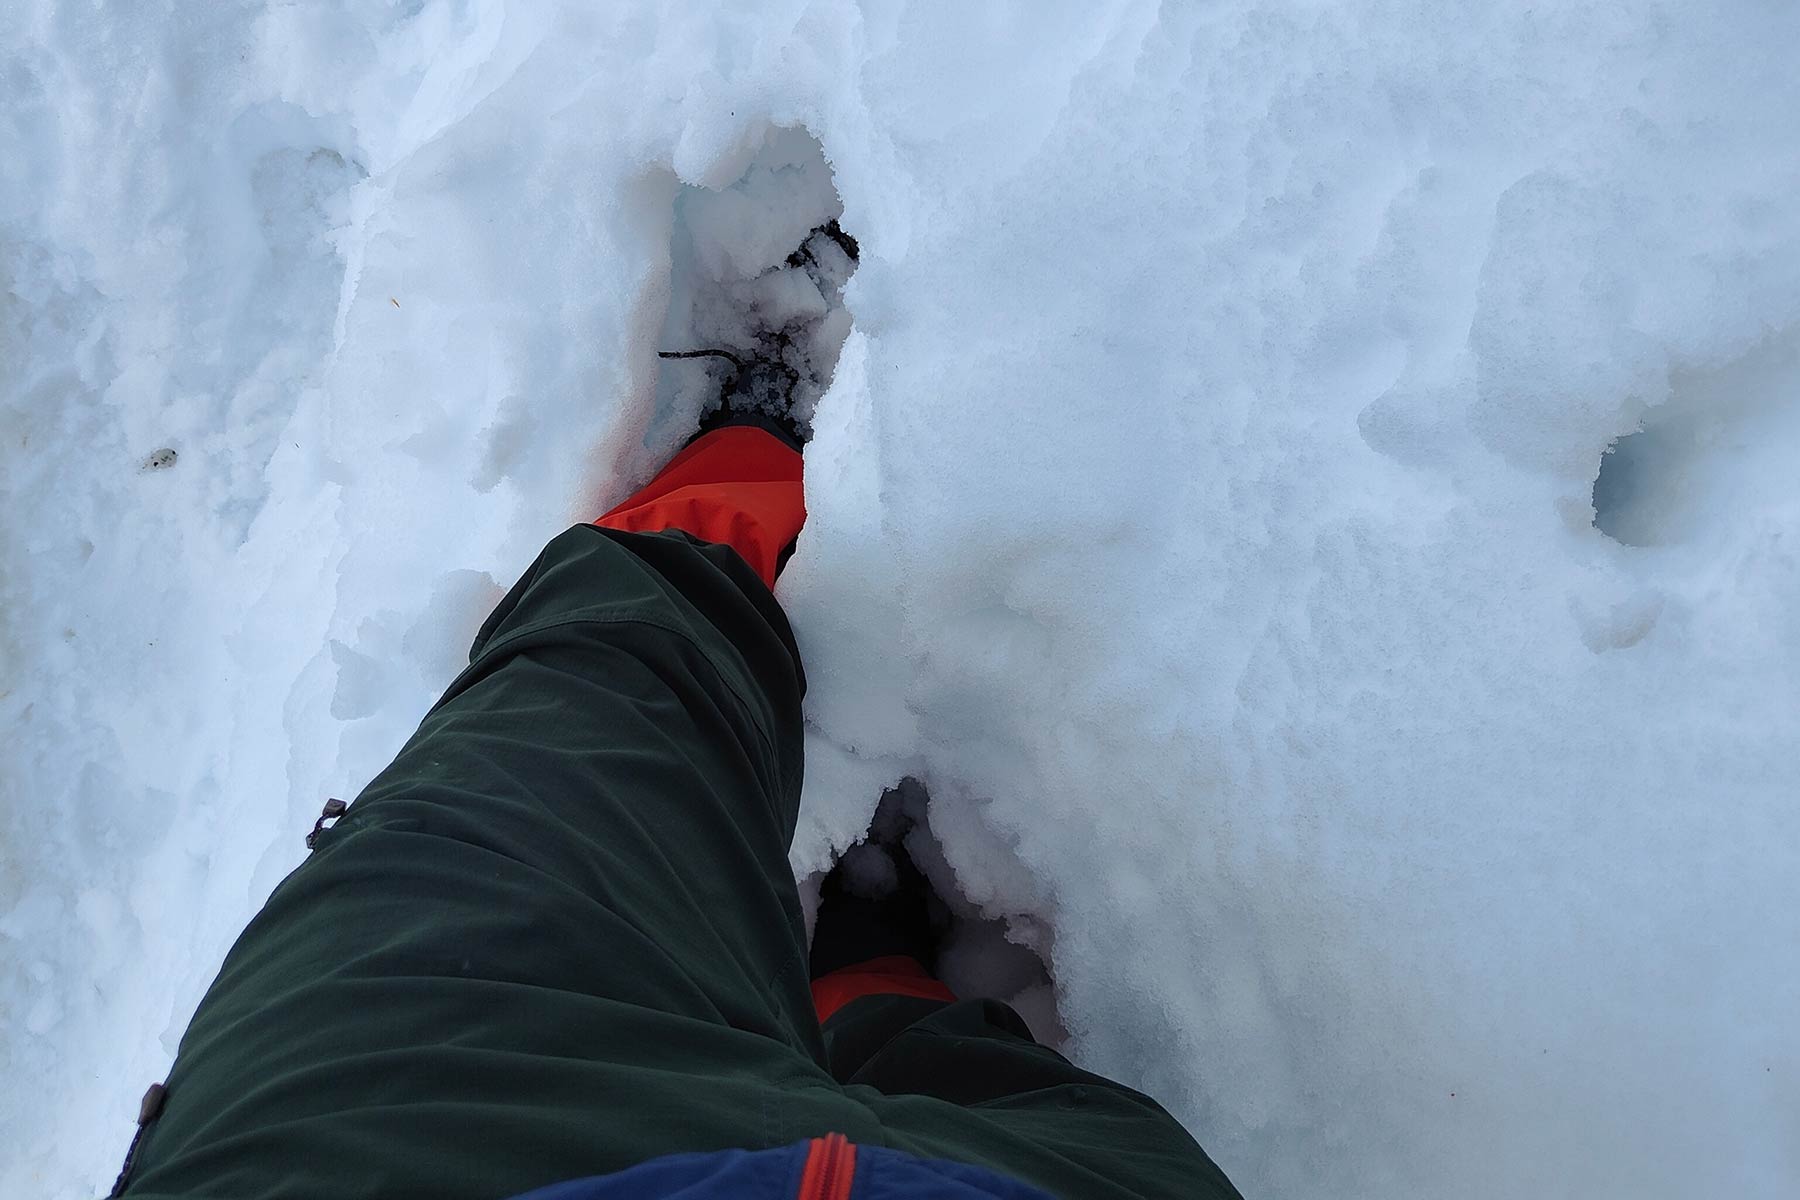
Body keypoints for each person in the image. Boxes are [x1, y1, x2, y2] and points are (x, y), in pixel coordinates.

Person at [111, 255, 1243, 1199]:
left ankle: (747, 465)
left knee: (614, 676)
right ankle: (865, 976)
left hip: (370, 1142)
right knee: (1033, 1120)